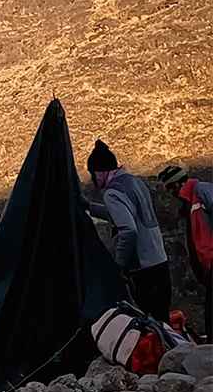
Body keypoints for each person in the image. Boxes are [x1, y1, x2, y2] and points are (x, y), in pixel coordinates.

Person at [85, 139, 171, 320]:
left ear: (100, 172)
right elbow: (123, 215)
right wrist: (89, 207)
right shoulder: (135, 182)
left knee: (151, 328)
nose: (93, 179)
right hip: (160, 261)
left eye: (92, 173)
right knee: (163, 322)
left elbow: (128, 230)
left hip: (143, 269)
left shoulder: (112, 192)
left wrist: (118, 265)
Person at [160, 164, 213, 341]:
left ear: (176, 184)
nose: (169, 193)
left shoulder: (202, 192)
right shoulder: (188, 203)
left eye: (169, 187)